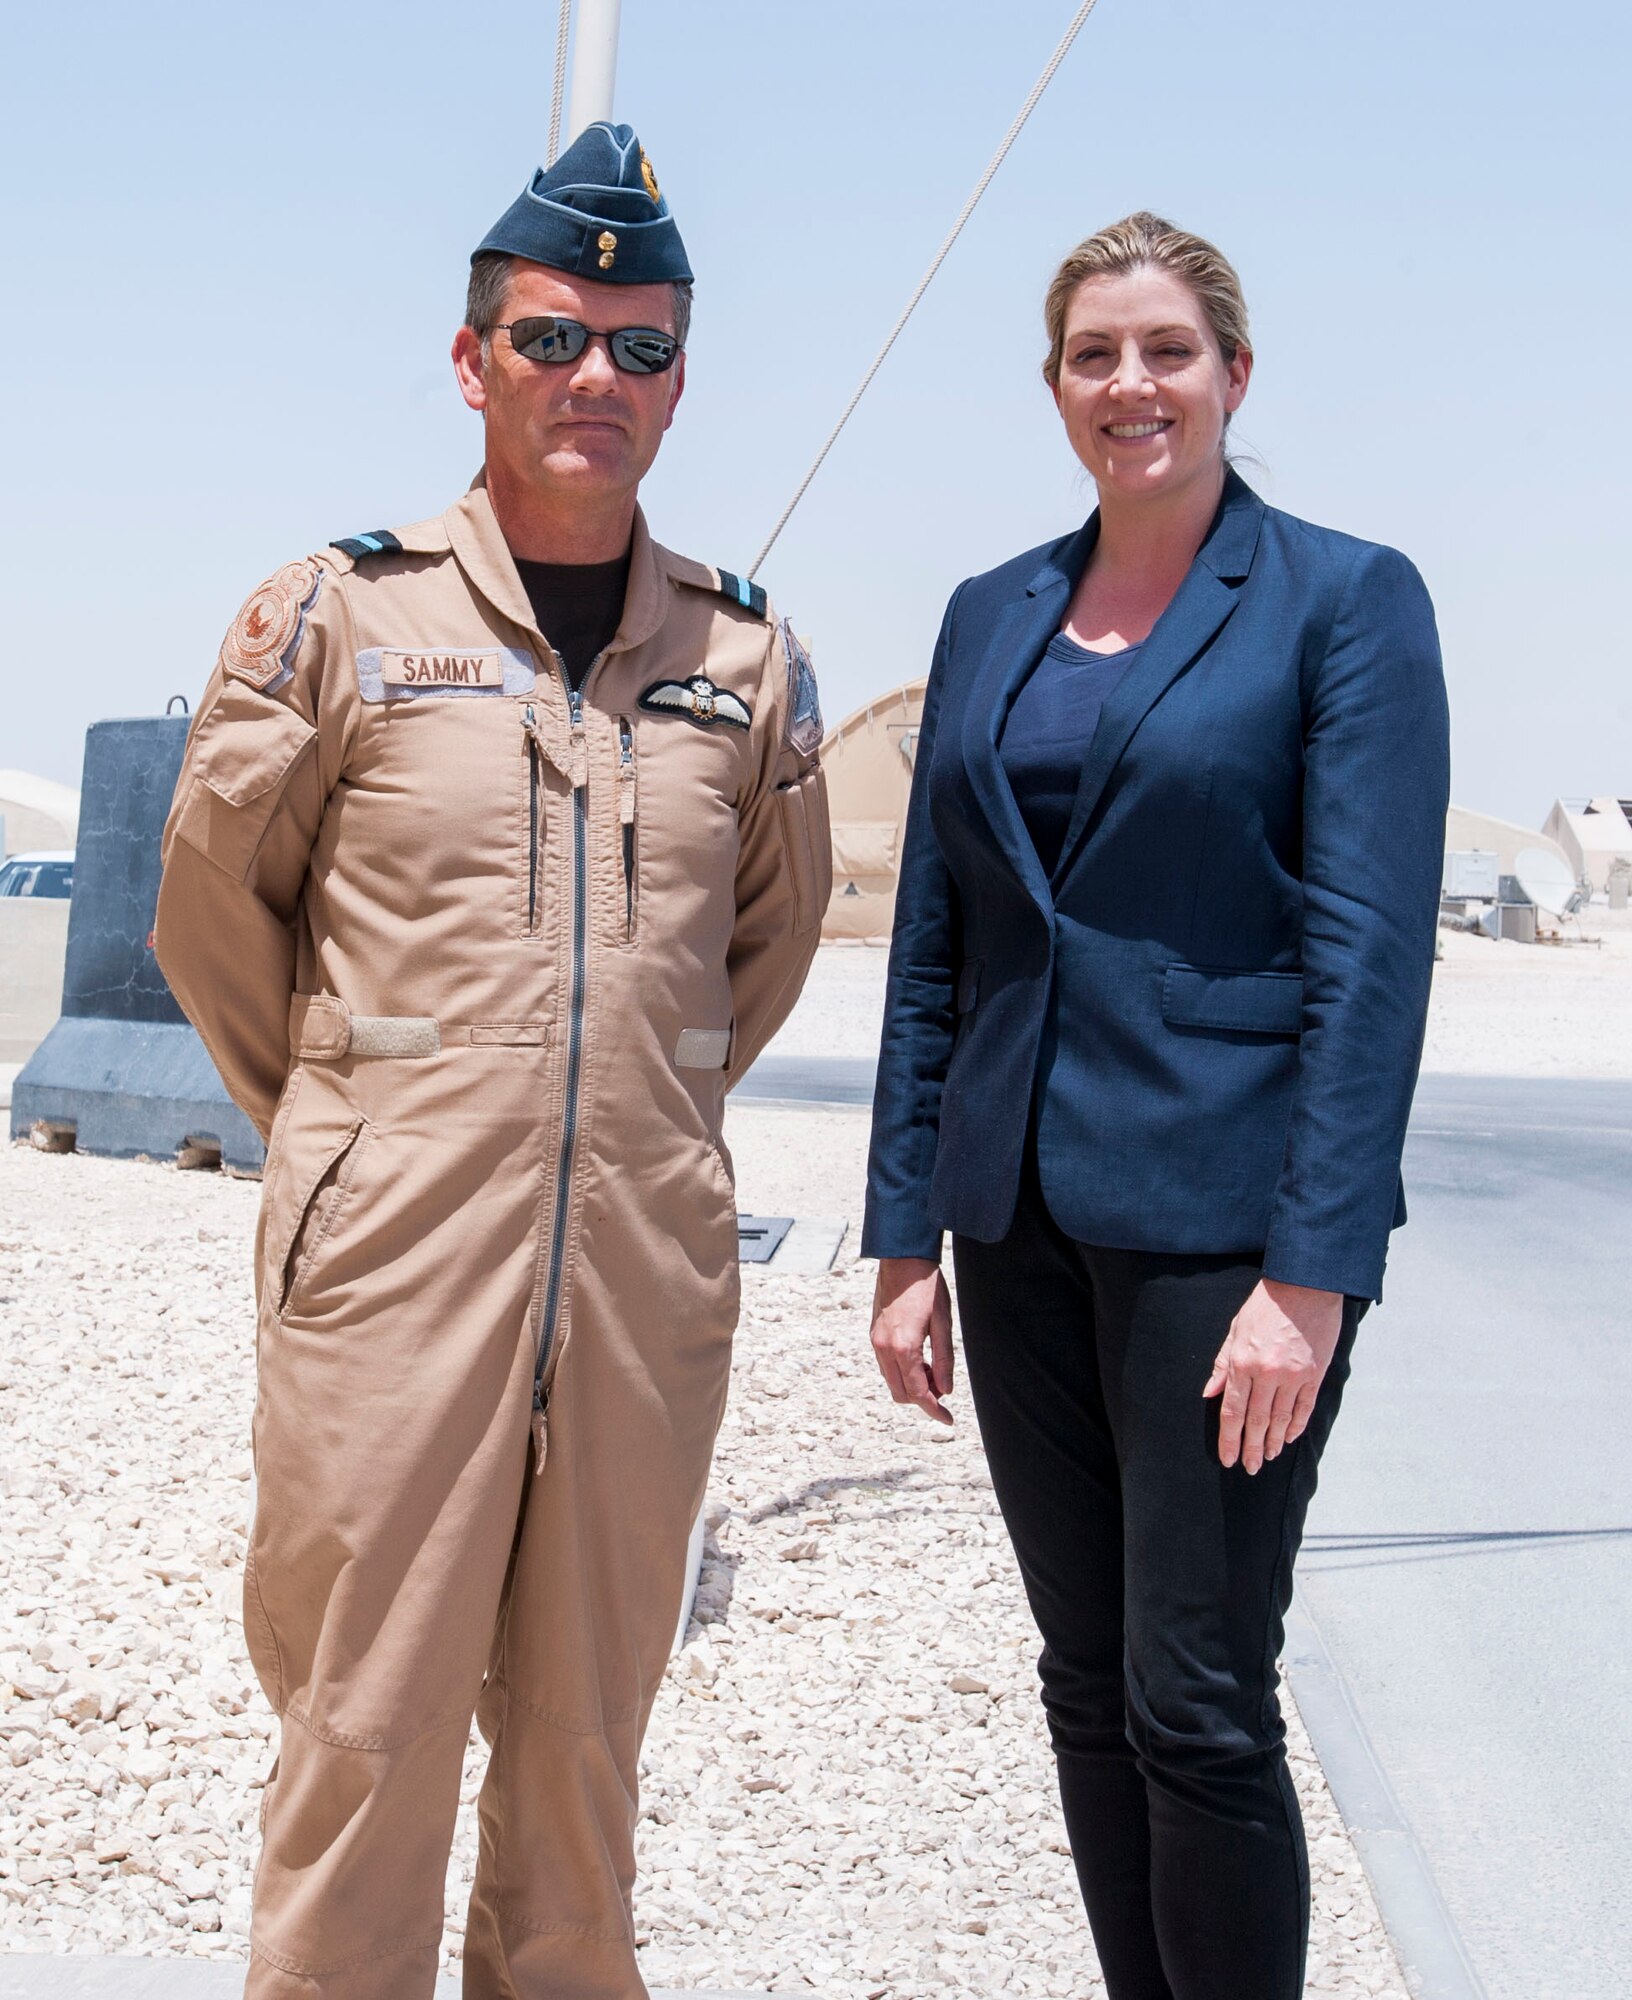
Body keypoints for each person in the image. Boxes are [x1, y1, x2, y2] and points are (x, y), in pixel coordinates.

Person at [155, 121, 831, 2000]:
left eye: (639, 346)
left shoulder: (745, 663)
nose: (593, 378)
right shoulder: (341, 622)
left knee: (586, 1751)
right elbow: (220, 924)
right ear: (472, 363)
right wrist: (375, 1132)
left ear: (683, 380)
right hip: (391, 1276)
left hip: (638, 1278)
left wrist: (614, 1118)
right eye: (551, 338)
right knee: (361, 1734)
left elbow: (745, 962)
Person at [862, 212, 1448, 2000]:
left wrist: (1312, 1271)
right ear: (1056, 390)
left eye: (1167, 351)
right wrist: (902, 1234)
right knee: (1084, 1683)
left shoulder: (1346, 601)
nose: (1133, 384)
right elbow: (933, 937)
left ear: (1234, 376)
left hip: (1223, 1234)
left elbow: (1369, 958)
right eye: (1095, 356)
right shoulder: (994, 613)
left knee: (1196, 1693)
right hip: (1017, 1215)